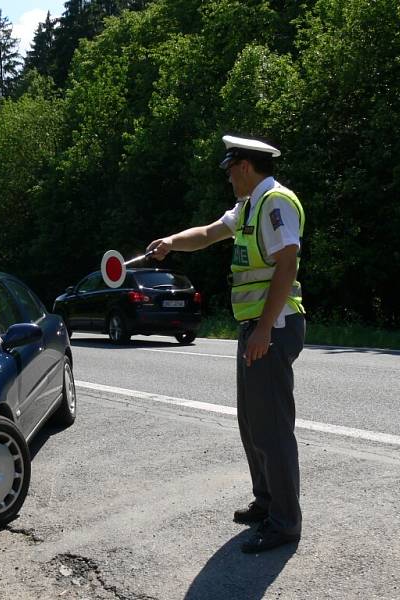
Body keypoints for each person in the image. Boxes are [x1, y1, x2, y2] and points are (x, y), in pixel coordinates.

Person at [147, 134, 306, 554]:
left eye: (230, 168)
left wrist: (265, 329)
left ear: (246, 167)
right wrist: (170, 242)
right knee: (252, 422)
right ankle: (267, 501)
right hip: (255, 326)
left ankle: (285, 523)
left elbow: (287, 263)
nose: (228, 176)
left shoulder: (275, 201)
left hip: (272, 326)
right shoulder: (249, 206)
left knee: (271, 427)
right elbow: (207, 233)